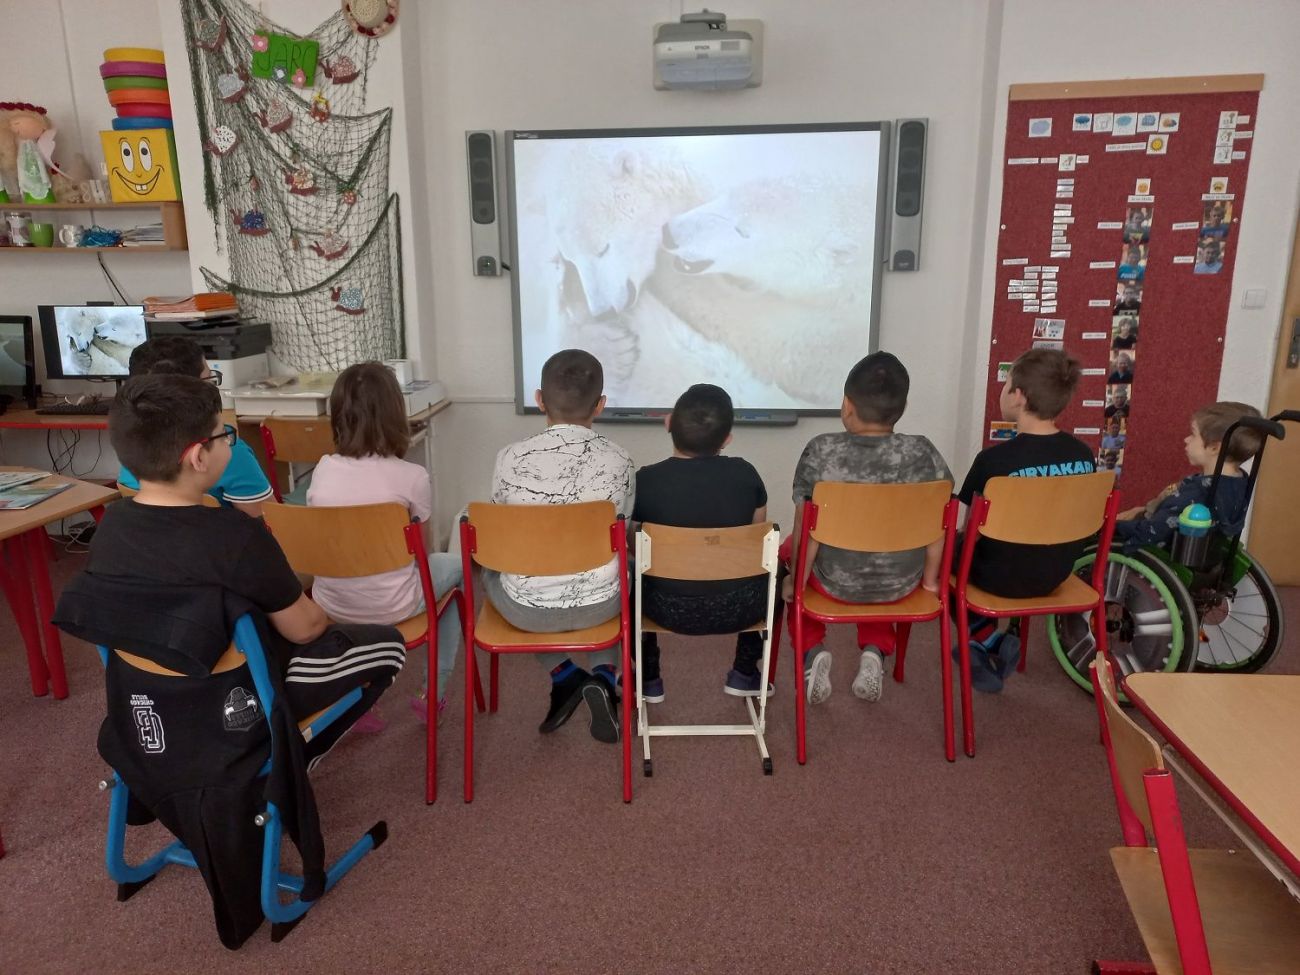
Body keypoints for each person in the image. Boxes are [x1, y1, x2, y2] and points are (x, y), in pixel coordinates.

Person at [55, 374, 405, 947]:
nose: (229, 445)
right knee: (386, 645)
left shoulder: (110, 527)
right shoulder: (235, 536)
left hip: (148, 711)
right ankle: (292, 762)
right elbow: (306, 627)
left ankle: (281, 763)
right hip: (235, 713)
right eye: (226, 437)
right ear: (199, 456)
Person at [785, 351, 951, 706]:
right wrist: (930, 582)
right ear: (903, 407)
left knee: (786, 555)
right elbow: (941, 520)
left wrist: (795, 583)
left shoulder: (822, 451)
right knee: (881, 550)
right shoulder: (923, 453)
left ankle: (812, 651)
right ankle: (875, 652)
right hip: (900, 584)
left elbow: (804, 526)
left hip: (835, 582)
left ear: (847, 405)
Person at [306, 362, 463, 730]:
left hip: (331, 602)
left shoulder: (323, 469)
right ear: (395, 413)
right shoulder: (412, 477)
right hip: (394, 603)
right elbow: (421, 555)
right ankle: (433, 690)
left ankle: (357, 695)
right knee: (455, 571)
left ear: (338, 415)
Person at [488, 349, 635, 743]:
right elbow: (622, 531)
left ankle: (564, 673)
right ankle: (605, 675)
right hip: (602, 603)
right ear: (600, 405)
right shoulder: (620, 461)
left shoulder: (508, 459)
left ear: (539, 399)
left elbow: (500, 531)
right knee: (625, 560)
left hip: (526, 610)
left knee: (489, 566)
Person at [956, 349, 1095, 693]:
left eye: (1006, 385)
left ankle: (982, 636)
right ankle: (994, 638)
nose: (1003, 391)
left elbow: (965, 527)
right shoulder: (1083, 455)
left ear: (1019, 396)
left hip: (998, 578)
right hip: (1055, 574)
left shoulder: (993, 461)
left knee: (945, 558)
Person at [632, 384, 770, 701]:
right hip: (740, 608)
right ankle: (744, 673)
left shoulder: (645, 481)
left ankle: (648, 679)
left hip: (662, 609)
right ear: (727, 439)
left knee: (632, 574)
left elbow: (634, 548)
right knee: (777, 572)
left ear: (668, 423)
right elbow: (756, 544)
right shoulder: (746, 475)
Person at [116, 335, 273, 517]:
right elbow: (270, 521)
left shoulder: (132, 447)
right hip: (217, 535)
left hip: (150, 534)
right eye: (209, 379)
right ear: (197, 391)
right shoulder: (225, 448)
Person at [1113, 402, 1263, 552]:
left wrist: (1115, 527)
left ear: (1214, 448)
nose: (1186, 439)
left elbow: (1150, 533)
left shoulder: (1197, 494)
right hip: (1206, 553)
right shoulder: (1239, 484)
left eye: (1193, 434)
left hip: (1165, 550)